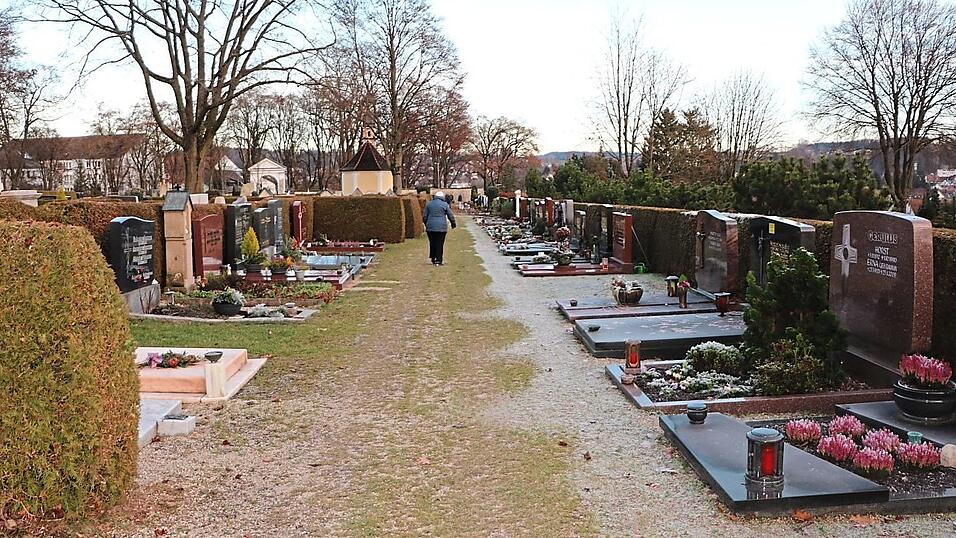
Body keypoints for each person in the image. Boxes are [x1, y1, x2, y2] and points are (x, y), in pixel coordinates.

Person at [423, 190, 456, 265]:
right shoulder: (445, 205)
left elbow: (425, 216)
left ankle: (433, 258)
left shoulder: (429, 204)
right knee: (440, 243)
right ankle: (439, 259)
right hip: (441, 228)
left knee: (432, 242)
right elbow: (450, 215)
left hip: (430, 227)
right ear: (442, 197)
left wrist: (427, 224)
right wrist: (453, 223)